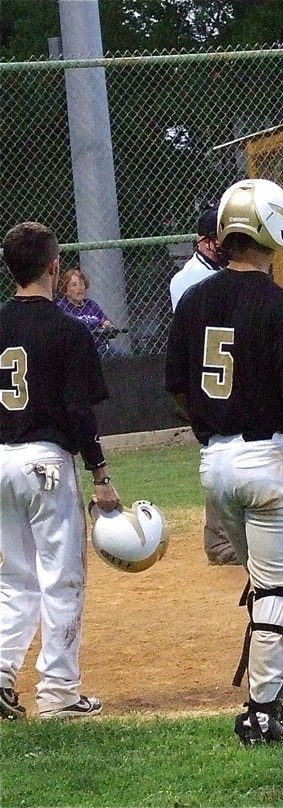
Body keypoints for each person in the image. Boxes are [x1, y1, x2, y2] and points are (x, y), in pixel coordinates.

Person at [164, 178, 283, 745]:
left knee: (281, 580)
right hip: (271, 461)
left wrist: (209, 423)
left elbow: (176, 382)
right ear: (274, 229)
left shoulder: (195, 298)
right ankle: (262, 711)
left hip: (216, 464)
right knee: (278, 592)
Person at [0, 221, 120, 721]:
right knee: (61, 578)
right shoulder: (68, 330)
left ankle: (1, 676)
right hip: (46, 462)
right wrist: (100, 473)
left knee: (13, 579)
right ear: (54, 267)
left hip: (0, 461)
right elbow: (78, 412)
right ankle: (60, 692)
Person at [168, 203, 238, 565]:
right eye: (222, 238)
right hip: (210, 376)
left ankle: (234, 533)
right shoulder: (188, 279)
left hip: (229, 369)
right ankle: (221, 540)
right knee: (221, 447)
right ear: (207, 242)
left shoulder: (226, 273)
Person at [55, 267, 120, 358]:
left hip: (101, 347)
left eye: (81, 284)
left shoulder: (91, 305)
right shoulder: (61, 307)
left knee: (123, 358)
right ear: (66, 290)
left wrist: (107, 325)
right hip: (78, 351)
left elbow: (106, 322)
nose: (79, 288)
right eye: (74, 285)